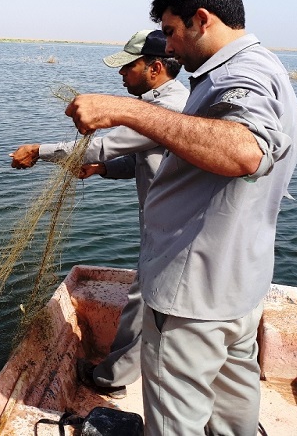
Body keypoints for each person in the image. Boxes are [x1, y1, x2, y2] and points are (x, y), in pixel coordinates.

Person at [65, 0, 297, 435]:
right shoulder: (264, 66)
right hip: (239, 286)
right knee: (235, 409)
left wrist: (124, 109)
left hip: (191, 296)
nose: (168, 48)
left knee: (176, 420)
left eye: (172, 33)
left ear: (202, 19)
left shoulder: (241, 74)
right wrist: (110, 164)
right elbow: (202, 158)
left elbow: (243, 151)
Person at [10, 29, 189, 399]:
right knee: (150, 299)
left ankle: (111, 379)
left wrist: (37, 150)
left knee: (146, 301)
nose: (121, 75)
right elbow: (144, 158)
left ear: (155, 67)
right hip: (164, 225)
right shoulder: (160, 103)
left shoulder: (168, 109)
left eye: (128, 67)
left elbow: (102, 147)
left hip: (175, 231)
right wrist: (106, 170)